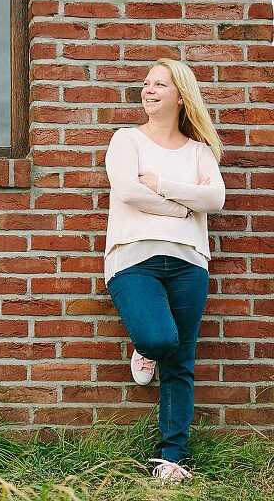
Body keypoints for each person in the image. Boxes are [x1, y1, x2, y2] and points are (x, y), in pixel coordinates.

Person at [103, 58, 225, 483]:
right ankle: (146, 345)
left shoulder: (200, 151)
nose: (148, 90)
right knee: (160, 338)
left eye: (159, 84)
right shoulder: (126, 141)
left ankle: (172, 458)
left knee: (181, 361)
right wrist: (180, 206)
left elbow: (215, 200)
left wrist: (164, 185)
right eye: (146, 83)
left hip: (190, 261)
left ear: (180, 95)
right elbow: (127, 191)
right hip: (133, 256)